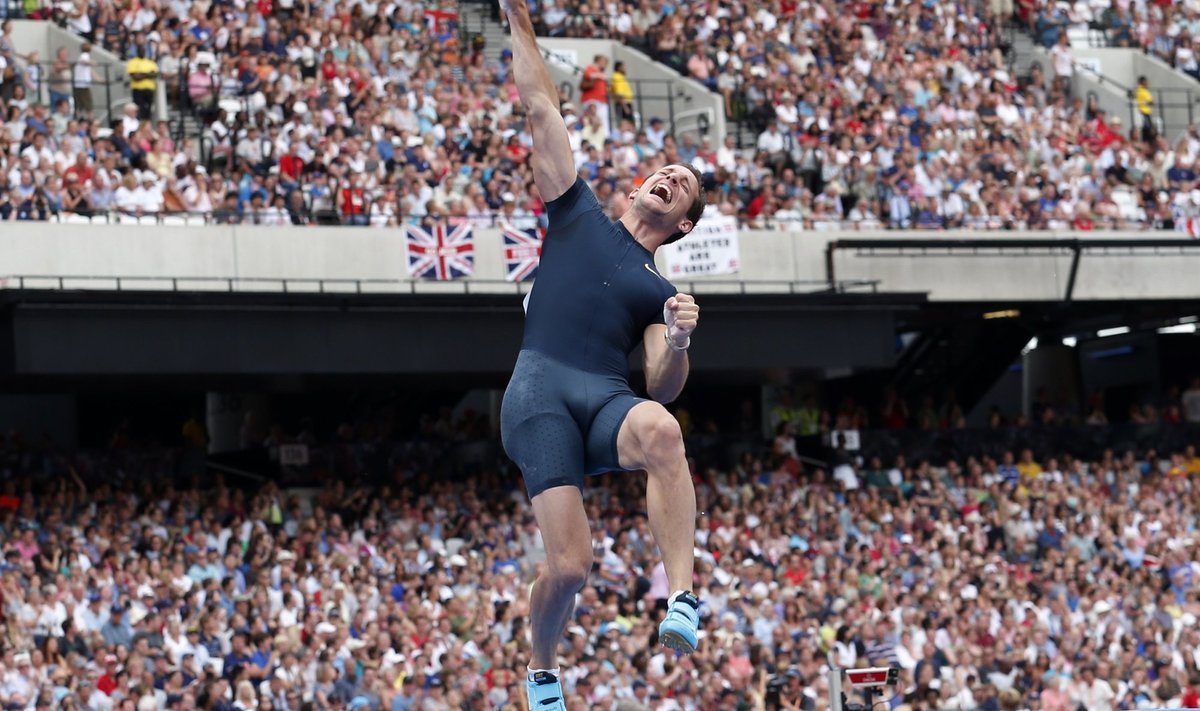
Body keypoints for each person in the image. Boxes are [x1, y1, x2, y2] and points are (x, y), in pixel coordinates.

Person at [497, 0, 706, 708]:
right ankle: (544, 669)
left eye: (686, 188)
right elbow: (538, 107)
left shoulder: (661, 287)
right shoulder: (577, 210)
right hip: (540, 393)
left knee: (663, 430)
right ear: (636, 188)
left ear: (679, 225)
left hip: (604, 399)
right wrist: (516, 19)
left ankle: (682, 598)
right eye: (669, 170)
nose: (673, 176)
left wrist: (678, 338)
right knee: (571, 567)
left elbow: (662, 385)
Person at [126, 46, 158, 120]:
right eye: (140, 50)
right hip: (138, 89)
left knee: (148, 109)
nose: (142, 52)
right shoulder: (132, 62)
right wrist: (147, 74)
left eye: (143, 50)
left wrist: (141, 74)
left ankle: (147, 123)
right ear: (137, 51)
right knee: (138, 109)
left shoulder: (150, 62)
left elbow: (154, 74)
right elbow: (135, 77)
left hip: (149, 89)